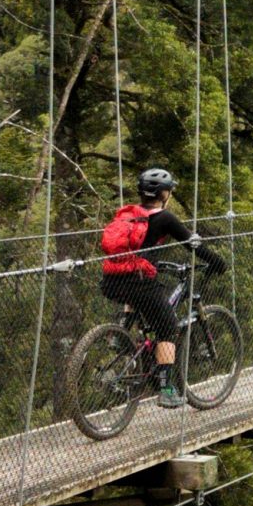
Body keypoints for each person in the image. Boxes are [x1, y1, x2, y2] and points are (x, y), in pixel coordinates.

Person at [99, 167, 227, 408]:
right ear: (164, 194)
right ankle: (166, 388)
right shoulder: (164, 218)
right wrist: (217, 262)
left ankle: (122, 331)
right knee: (168, 328)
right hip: (139, 283)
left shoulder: (127, 214)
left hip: (110, 281)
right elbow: (193, 245)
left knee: (137, 292)